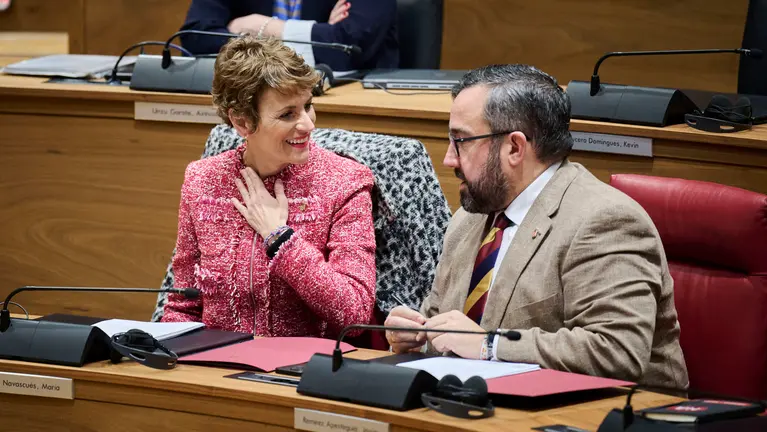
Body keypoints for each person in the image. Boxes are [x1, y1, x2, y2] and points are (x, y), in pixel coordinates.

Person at [385, 64, 689, 389]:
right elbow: (447, 326)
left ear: (515, 147)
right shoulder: (469, 219)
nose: (449, 159)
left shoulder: (604, 220)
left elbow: (617, 352)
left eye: (461, 141)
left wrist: (490, 345)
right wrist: (415, 333)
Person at [162, 36, 377, 339]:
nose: (308, 125)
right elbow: (182, 307)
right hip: (213, 368)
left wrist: (281, 239)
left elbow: (354, 313)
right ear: (242, 122)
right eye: (288, 114)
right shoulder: (202, 181)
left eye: (308, 106)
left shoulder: (345, 182)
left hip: (301, 375)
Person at [179, 0, 398, 71]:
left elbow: (348, 46)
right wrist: (317, 33)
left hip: (350, 109)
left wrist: (261, 27)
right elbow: (195, 36)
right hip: (255, 102)